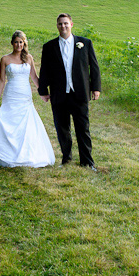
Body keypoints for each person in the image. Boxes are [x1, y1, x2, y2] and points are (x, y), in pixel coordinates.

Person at [38, 13, 101, 170]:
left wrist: (96, 88)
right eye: (60, 24)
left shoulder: (85, 43)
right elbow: (44, 69)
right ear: (57, 26)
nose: (63, 26)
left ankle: (87, 162)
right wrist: (43, 90)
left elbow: (94, 67)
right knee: (62, 128)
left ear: (72, 24)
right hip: (59, 94)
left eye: (66, 23)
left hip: (79, 93)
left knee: (83, 129)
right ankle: (66, 159)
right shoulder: (49, 47)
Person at [0, 30, 56, 167]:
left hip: (25, 95)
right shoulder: (5, 59)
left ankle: (27, 154)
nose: (18, 45)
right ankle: (7, 152)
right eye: (16, 42)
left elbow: (34, 77)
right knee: (10, 121)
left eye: (21, 42)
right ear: (12, 43)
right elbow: (1, 80)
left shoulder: (28, 58)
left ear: (24, 43)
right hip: (11, 94)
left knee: (26, 123)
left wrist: (44, 92)